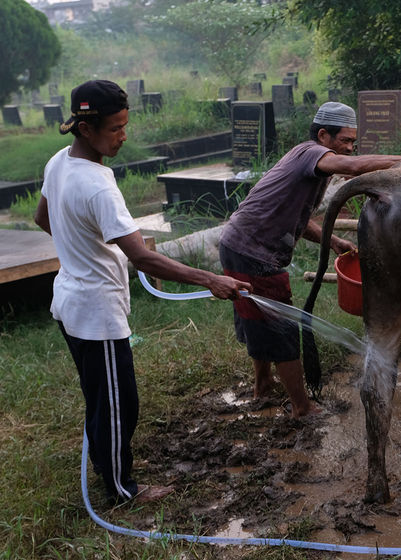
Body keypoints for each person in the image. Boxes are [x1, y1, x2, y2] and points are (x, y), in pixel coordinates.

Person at [34, 80, 251, 505]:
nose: (124, 135)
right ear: (85, 128)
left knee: (102, 397)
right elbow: (145, 260)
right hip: (96, 313)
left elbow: (45, 217)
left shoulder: (59, 162)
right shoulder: (98, 184)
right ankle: (120, 489)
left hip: (70, 302)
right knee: (118, 405)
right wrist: (212, 280)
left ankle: (106, 462)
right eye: (115, 128)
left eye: (125, 125)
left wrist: (83, 246)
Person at [218, 102, 401, 418]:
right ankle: (302, 408)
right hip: (251, 251)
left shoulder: (311, 165)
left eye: (354, 143)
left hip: (239, 245)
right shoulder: (310, 153)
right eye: (345, 141)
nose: (350, 149)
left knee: (256, 317)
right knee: (280, 328)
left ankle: (263, 384)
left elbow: (296, 217)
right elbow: (353, 168)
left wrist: (334, 240)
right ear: (323, 135)